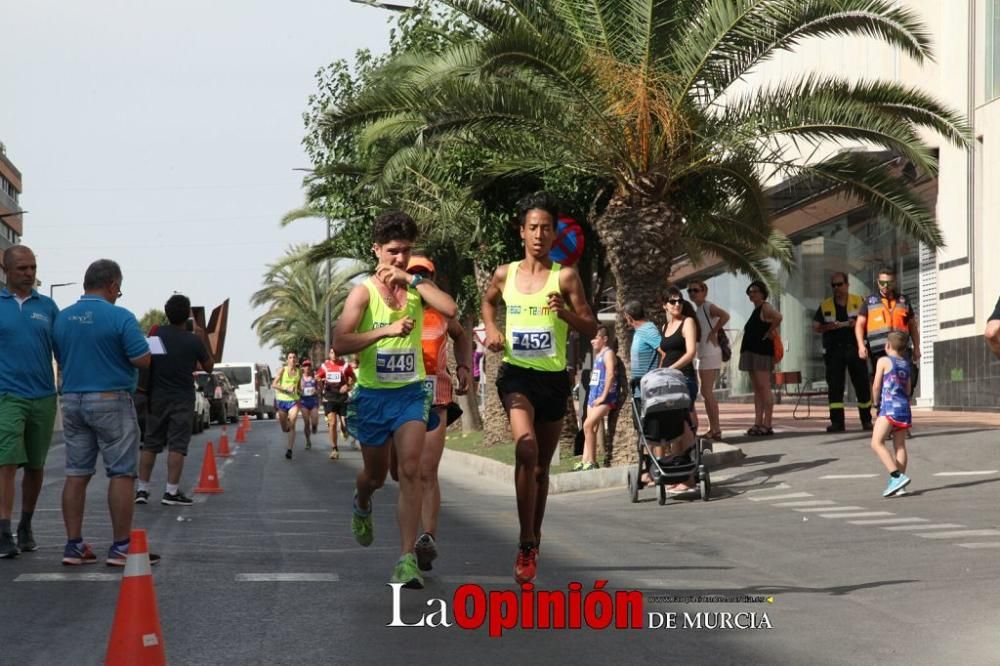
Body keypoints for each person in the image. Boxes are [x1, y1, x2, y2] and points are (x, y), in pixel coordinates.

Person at [333, 211, 457, 590]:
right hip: (372, 396)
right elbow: (340, 342)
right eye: (392, 251)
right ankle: (362, 499)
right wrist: (385, 330)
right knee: (374, 475)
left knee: (410, 470)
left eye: (405, 251)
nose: (399, 258)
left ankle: (405, 560)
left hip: (411, 392)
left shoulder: (418, 289)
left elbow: (451, 310)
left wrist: (412, 279)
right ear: (376, 250)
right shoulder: (363, 293)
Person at [482, 192, 596, 585]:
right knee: (525, 448)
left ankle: (533, 540)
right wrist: (494, 330)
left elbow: (591, 327)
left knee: (541, 469)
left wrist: (563, 311)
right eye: (533, 227)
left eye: (547, 228)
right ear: (522, 232)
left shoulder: (564, 276)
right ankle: (525, 539)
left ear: (554, 235)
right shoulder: (505, 273)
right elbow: (487, 303)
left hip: (553, 379)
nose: (539, 234)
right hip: (516, 375)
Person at [53, 259, 157, 566]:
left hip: (72, 400)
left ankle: (74, 545)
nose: (118, 294)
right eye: (118, 290)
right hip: (111, 399)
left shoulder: (62, 318)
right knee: (122, 473)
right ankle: (121, 546)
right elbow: (142, 359)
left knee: (76, 474)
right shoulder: (120, 316)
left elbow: (62, 356)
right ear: (112, 285)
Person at [404, 255, 472, 573]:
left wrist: (462, 366)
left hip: (436, 398)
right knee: (407, 472)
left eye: (424, 274)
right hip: (400, 399)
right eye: (412, 273)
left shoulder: (442, 313)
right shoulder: (393, 310)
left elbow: (461, 335)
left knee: (428, 471)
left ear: (432, 276)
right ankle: (408, 541)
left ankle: (427, 538)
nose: (418, 278)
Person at [0, 245, 59, 558]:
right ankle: (3, 529)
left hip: (44, 397)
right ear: (6, 269)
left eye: (33, 268)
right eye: (22, 268)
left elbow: (62, 350)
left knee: (36, 466)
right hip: (7, 395)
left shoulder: (48, 307)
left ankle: (26, 525)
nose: (29, 274)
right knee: (6, 462)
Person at [136, 294, 213, 507]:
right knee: (177, 446)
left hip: (157, 397)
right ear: (187, 314)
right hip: (182, 398)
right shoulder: (193, 340)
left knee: (150, 443)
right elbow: (209, 366)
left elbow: (147, 362)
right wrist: (200, 336)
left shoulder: (156, 335)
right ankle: (171, 491)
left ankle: (142, 489)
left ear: (167, 313)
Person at [813, 273, 872, 433]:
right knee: (835, 387)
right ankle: (837, 423)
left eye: (839, 284)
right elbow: (816, 326)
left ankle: (866, 420)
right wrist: (827, 327)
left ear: (847, 285)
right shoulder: (825, 305)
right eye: (833, 285)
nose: (836, 288)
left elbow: (870, 322)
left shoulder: (859, 301)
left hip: (855, 348)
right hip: (834, 352)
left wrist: (857, 323)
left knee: (862, 385)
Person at [658, 287, 701, 492]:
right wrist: (659, 373)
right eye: (672, 302)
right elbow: (665, 354)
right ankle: (678, 474)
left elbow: (691, 352)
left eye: (680, 301)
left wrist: (670, 369)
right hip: (667, 381)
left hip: (684, 378)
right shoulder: (665, 326)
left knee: (683, 423)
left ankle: (690, 477)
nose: (677, 305)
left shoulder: (688, 322)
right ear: (664, 305)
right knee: (674, 427)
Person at [870, 331, 913, 497]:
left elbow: (876, 386)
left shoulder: (883, 361)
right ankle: (900, 487)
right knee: (900, 446)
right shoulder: (905, 364)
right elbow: (908, 389)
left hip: (889, 407)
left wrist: (875, 404)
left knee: (876, 442)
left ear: (887, 345)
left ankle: (896, 477)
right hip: (904, 408)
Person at [686, 280, 730, 440]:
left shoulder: (707, 306)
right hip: (703, 353)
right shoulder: (697, 310)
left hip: (710, 352)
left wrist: (714, 332)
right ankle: (713, 428)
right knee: (705, 392)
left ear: (704, 292)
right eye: (690, 290)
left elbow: (725, 315)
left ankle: (716, 429)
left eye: (695, 290)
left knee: (706, 391)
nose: (692, 293)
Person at [740, 280, 782, 436]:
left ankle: (767, 424)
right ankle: (758, 422)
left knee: (764, 387)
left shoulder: (765, 306)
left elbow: (778, 317)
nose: (752, 294)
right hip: (751, 352)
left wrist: (769, 331)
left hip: (761, 352)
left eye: (755, 291)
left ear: (763, 292)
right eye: (750, 292)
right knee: (757, 389)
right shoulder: (755, 309)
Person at [578, 326, 617, 471]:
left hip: (604, 398)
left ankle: (593, 462)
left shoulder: (608, 354)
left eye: (596, 338)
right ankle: (584, 461)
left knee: (587, 425)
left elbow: (611, 375)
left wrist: (603, 396)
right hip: (594, 396)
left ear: (605, 339)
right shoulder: (599, 354)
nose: (592, 341)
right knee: (590, 427)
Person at [317, 348, 355, 459]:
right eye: (332, 352)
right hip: (330, 397)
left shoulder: (345, 366)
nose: (334, 355)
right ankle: (334, 449)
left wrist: (347, 386)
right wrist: (319, 382)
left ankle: (344, 429)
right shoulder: (324, 366)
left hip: (342, 398)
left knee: (343, 424)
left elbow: (353, 378)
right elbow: (319, 380)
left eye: (337, 353)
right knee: (332, 423)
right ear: (329, 354)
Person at [272, 352, 302, 460]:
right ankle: (285, 425)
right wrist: (286, 389)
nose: (292, 359)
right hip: (282, 401)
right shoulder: (282, 370)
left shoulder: (299, 371)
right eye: (290, 357)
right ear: (287, 360)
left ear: (297, 359)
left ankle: (289, 450)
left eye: (294, 357)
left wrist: (298, 390)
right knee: (285, 428)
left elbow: (299, 387)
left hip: (293, 400)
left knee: (293, 422)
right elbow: (274, 384)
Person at [298, 359, 320, 450]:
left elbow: (320, 389)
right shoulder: (300, 378)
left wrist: (316, 391)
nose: (307, 367)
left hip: (313, 402)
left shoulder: (315, 377)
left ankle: (314, 426)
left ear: (311, 367)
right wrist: (300, 392)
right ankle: (308, 441)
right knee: (306, 422)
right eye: (305, 366)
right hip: (304, 402)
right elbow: (296, 390)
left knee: (314, 421)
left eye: (308, 366)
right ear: (302, 368)